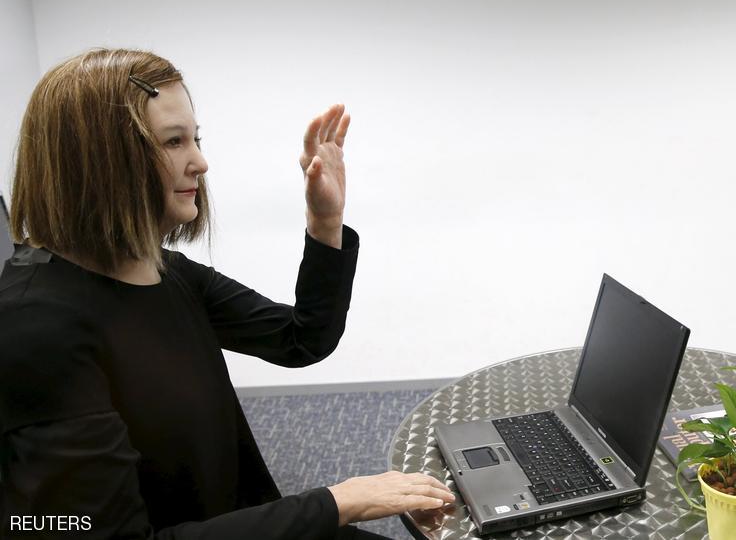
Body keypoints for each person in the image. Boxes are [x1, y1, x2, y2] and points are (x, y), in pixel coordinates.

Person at [0, 49, 455, 538]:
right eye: (174, 142)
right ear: (100, 160)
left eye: (194, 139)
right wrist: (335, 503)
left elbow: (301, 339)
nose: (200, 161)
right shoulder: (35, 325)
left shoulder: (161, 269)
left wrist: (325, 224)